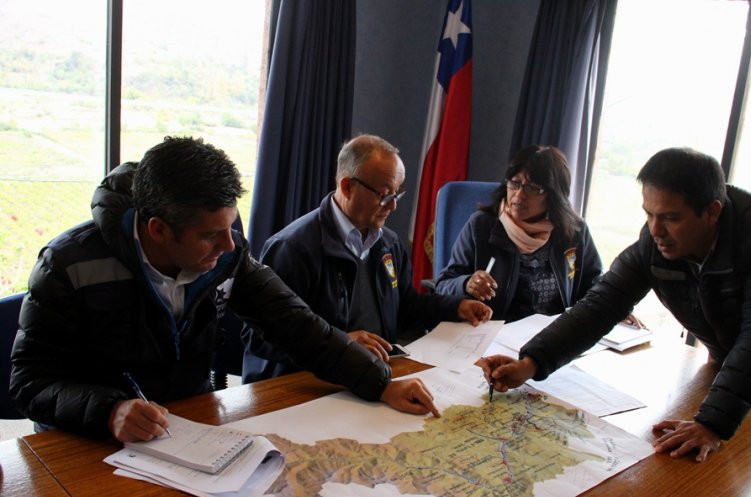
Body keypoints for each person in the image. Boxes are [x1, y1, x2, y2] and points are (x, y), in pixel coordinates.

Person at [10, 136, 441, 443]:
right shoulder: (68, 265)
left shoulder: (224, 253)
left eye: (231, 226)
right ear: (158, 230)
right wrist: (110, 410)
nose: (230, 245)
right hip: (89, 442)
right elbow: (31, 383)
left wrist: (379, 383)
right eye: (211, 235)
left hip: (189, 429)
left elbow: (297, 324)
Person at [479, 147, 751, 463]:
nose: (655, 230)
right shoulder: (655, 240)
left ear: (712, 212)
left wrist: (713, 424)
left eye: (670, 217)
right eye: (649, 214)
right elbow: (601, 305)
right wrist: (532, 362)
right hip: (731, 359)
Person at [242, 134, 492, 383]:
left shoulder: (389, 244)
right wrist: (341, 343)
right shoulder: (293, 248)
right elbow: (260, 338)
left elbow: (405, 308)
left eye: (397, 195)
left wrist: (456, 307)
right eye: (384, 195)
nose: (392, 206)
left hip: (370, 376)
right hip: (307, 383)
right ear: (347, 187)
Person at [435, 145, 639, 326]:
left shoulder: (573, 231)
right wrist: (465, 283)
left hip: (552, 338)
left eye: (532, 188)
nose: (519, 195)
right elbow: (443, 286)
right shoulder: (482, 226)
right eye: (514, 183)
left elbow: (593, 283)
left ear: (553, 195)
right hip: (493, 335)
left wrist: (614, 307)